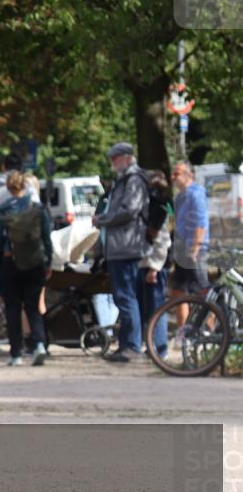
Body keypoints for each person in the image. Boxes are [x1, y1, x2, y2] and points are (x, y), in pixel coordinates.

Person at [92, 142, 149, 363]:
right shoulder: (123, 180)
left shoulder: (133, 180)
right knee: (122, 297)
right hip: (119, 247)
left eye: (115, 158)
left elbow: (129, 210)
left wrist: (102, 219)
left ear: (126, 157)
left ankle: (133, 346)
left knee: (126, 297)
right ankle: (126, 345)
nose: (111, 162)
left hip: (127, 247)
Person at [0, 153, 42, 357]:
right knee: (26, 298)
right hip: (27, 249)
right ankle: (29, 340)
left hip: (1, 249)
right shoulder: (29, 189)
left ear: (2, 167)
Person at [0, 171, 53, 366]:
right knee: (33, 307)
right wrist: (48, 261)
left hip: (11, 261)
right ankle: (39, 345)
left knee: (12, 307)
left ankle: (16, 353)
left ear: (8, 188)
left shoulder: (3, 210)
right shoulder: (37, 207)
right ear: (24, 186)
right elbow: (46, 237)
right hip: (35, 261)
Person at [169, 160, 210, 329]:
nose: (173, 177)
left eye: (176, 173)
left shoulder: (196, 194)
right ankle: (183, 332)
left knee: (204, 293)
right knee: (179, 292)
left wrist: (195, 248)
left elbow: (200, 224)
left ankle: (210, 331)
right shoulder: (179, 197)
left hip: (194, 250)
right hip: (181, 249)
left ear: (188, 175)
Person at [137, 170, 172, 357]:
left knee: (156, 308)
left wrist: (155, 267)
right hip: (147, 265)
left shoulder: (157, 208)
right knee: (148, 308)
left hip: (153, 266)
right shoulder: (156, 206)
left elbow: (162, 241)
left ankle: (160, 348)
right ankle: (152, 346)